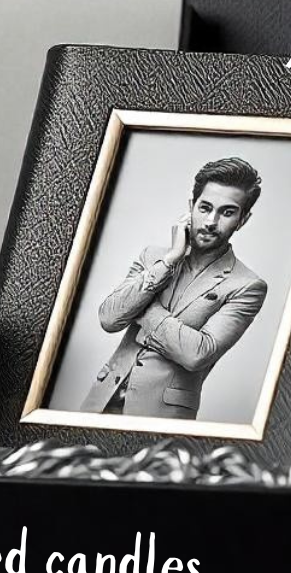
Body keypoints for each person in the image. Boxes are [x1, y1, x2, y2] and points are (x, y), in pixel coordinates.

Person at [82, 157, 268, 420]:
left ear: (243, 219)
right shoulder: (153, 257)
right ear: (191, 207)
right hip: (99, 402)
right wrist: (170, 260)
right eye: (205, 208)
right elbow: (109, 318)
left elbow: (197, 353)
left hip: (160, 416)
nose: (211, 221)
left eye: (227, 212)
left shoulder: (247, 286)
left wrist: (143, 306)